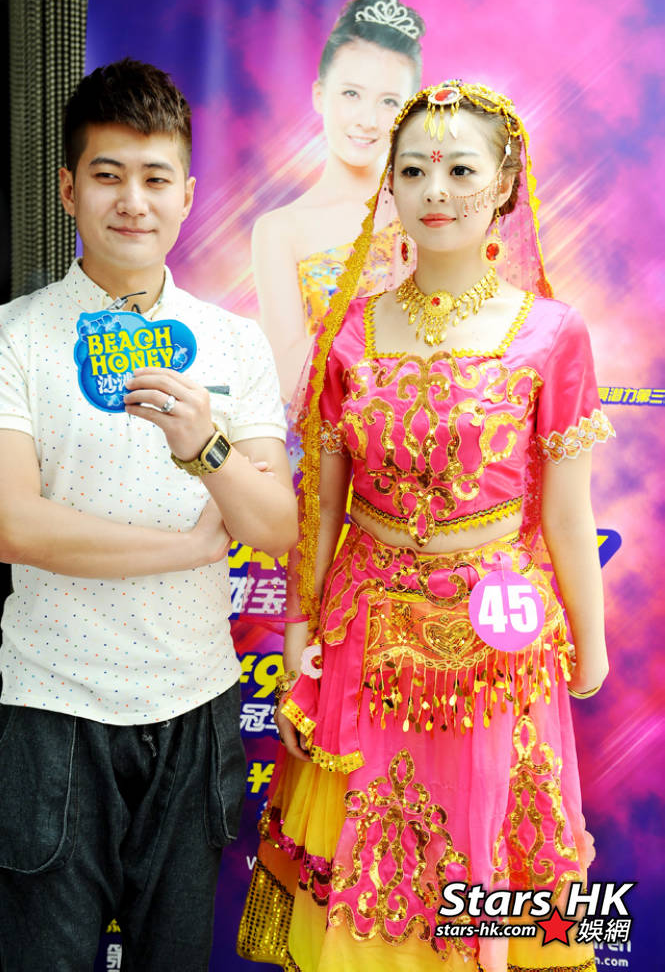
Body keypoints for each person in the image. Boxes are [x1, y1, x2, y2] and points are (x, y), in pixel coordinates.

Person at [238, 81, 614, 972]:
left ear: (504, 183)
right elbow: (320, 509)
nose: (433, 190)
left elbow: (567, 515)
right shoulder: (350, 333)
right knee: (372, 870)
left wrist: (589, 646)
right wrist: (299, 630)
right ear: (390, 187)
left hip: (496, 641)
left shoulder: (551, 333)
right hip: (363, 636)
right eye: (411, 171)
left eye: (458, 170)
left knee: (483, 855)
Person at [0, 58, 297, 971]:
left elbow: (274, 527)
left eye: (156, 178)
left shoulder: (234, 343)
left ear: (188, 195)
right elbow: (14, 525)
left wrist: (207, 447)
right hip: (53, 712)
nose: (133, 201)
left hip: (193, 706)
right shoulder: (16, 335)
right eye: (108, 175)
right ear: (67, 189)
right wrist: (186, 547)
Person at [254, 0, 425, 399]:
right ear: (319, 95)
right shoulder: (279, 230)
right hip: (327, 429)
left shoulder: (429, 212)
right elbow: (286, 378)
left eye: (389, 102)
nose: (368, 120)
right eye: (351, 94)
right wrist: (379, 314)